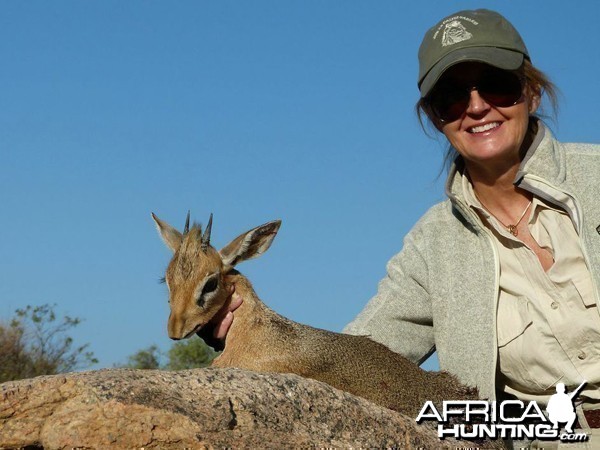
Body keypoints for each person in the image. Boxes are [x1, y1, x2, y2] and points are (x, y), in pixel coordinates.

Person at [201, 8, 600, 448]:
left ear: (533, 92)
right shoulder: (433, 245)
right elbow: (350, 356)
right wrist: (248, 326)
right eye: (451, 95)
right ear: (434, 117)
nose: (476, 106)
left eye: (497, 84)